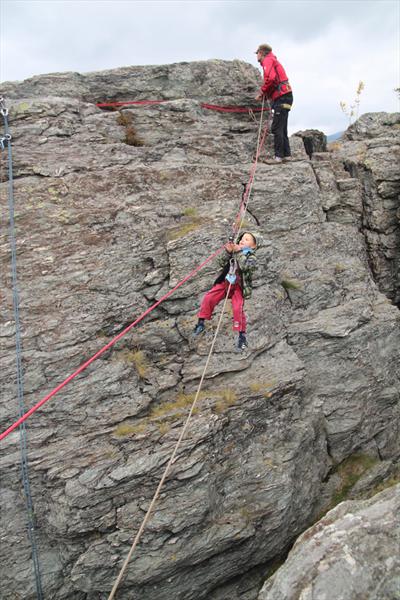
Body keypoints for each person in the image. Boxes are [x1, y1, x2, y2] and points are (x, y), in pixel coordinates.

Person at [193, 232, 258, 351]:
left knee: (237, 308)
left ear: (253, 246)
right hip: (226, 282)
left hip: (239, 287)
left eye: (247, 239)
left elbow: (246, 267)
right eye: (242, 238)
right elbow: (220, 263)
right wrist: (227, 252)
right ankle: (201, 322)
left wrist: (238, 252)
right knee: (209, 297)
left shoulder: (252, 257)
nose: (242, 240)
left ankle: (241, 335)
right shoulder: (234, 252)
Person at [255, 43, 293, 163]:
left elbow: (271, 78)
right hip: (286, 96)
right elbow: (274, 80)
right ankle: (286, 155)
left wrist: (262, 92)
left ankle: (278, 156)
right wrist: (266, 95)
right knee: (282, 127)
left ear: (261, 53)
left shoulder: (268, 60)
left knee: (276, 127)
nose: (256, 56)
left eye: (257, 53)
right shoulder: (273, 60)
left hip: (281, 97)